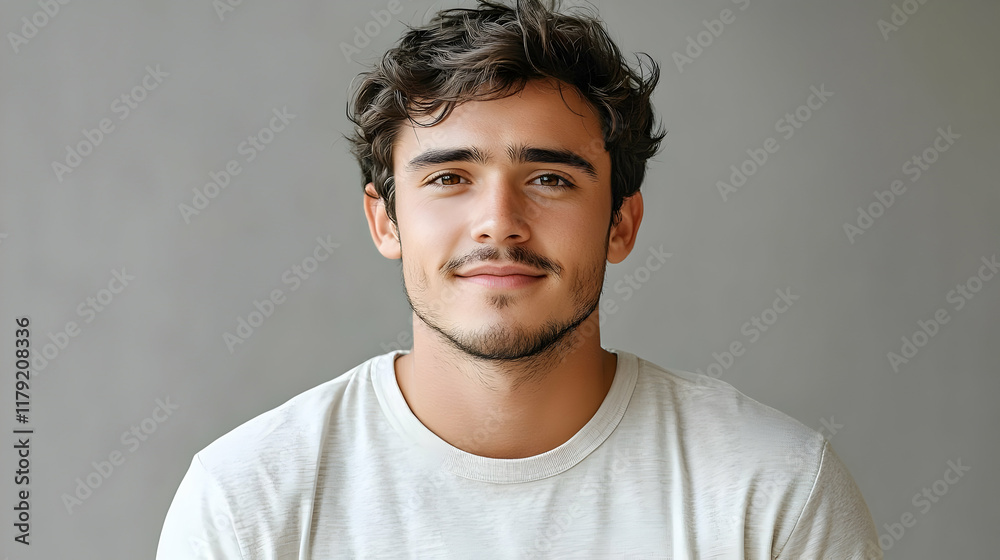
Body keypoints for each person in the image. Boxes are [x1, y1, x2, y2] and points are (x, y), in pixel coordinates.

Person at [156, 0, 881, 557]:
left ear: (622, 223)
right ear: (385, 221)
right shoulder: (247, 500)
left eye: (549, 177)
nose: (498, 221)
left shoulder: (773, 492)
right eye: (449, 177)